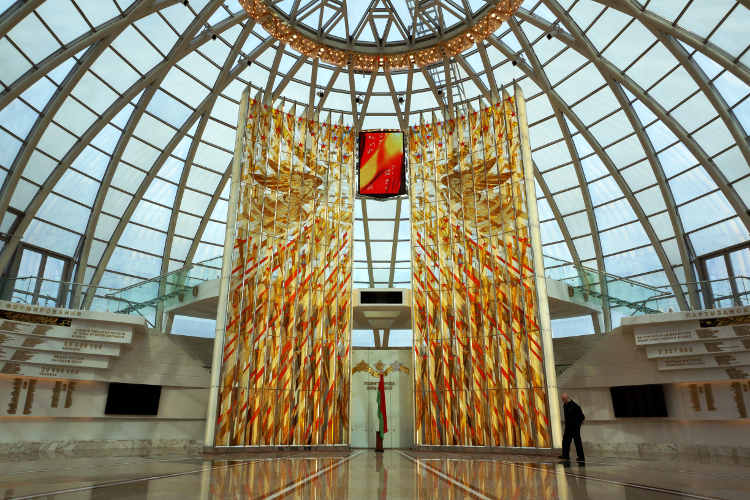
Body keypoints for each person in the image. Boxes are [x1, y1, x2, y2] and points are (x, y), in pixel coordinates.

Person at [559, 393, 585, 463]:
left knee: (577, 442)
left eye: (563, 399)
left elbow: (582, 417)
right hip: (568, 427)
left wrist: (577, 425)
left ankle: (581, 457)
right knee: (565, 441)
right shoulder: (565, 405)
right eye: (562, 399)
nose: (563, 400)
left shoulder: (575, 406)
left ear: (567, 398)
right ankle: (565, 455)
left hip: (574, 427)